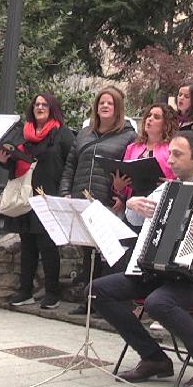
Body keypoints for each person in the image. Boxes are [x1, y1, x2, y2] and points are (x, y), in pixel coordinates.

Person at [100, 131, 193, 387]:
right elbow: (137, 222)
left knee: (158, 302)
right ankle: (154, 358)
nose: (169, 160)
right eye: (169, 153)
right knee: (99, 291)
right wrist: (132, 204)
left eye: (177, 154)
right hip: (159, 272)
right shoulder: (166, 188)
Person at [60, 86, 137, 315]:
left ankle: (107, 300)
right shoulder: (84, 134)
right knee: (88, 253)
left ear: (118, 109)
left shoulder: (128, 135)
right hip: (82, 198)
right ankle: (89, 300)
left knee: (108, 252)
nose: (105, 106)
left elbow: (129, 169)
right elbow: (70, 165)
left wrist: (122, 196)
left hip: (107, 200)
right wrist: (66, 191)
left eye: (110, 103)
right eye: (101, 102)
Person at [0, 93, 75, 310]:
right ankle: (25, 291)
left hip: (48, 195)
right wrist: (4, 162)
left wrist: (66, 190)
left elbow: (71, 163)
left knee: (48, 245)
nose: (40, 107)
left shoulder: (62, 133)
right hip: (25, 197)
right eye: (37, 104)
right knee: (27, 244)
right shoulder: (24, 133)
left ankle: (52, 293)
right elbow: (17, 165)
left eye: (44, 104)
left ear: (52, 108)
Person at [112, 102, 178, 201]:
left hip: (160, 201)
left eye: (156, 117)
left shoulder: (172, 148)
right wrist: (118, 187)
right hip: (134, 204)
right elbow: (125, 186)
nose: (150, 119)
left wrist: (172, 185)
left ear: (166, 124)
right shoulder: (132, 147)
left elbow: (181, 178)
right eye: (148, 115)